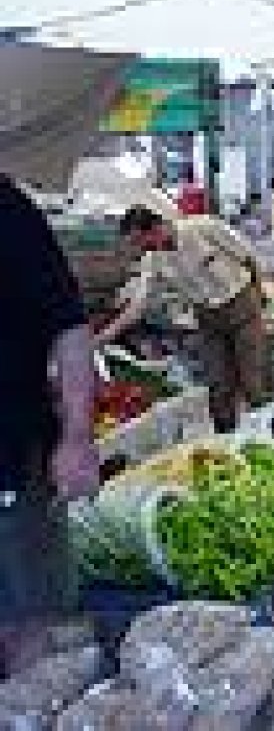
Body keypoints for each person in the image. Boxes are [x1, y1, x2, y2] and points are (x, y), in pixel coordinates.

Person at [0, 175, 99, 678]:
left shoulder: (8, 210)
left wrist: (78, 437)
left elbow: (71, 326)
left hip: (11, 462)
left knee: (30, 624)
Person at [97, 206, 266, 433]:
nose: (141, 248)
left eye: (141, 240)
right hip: (208, 318)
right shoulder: (154, 260)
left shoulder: (203, 228)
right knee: (218, 385)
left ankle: (268, 433)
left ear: (156, 227)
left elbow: (248, 256)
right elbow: (138, 305)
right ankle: (226, 440)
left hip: (241, 306)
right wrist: (104, 336)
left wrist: (259, 295)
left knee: (253, 381)